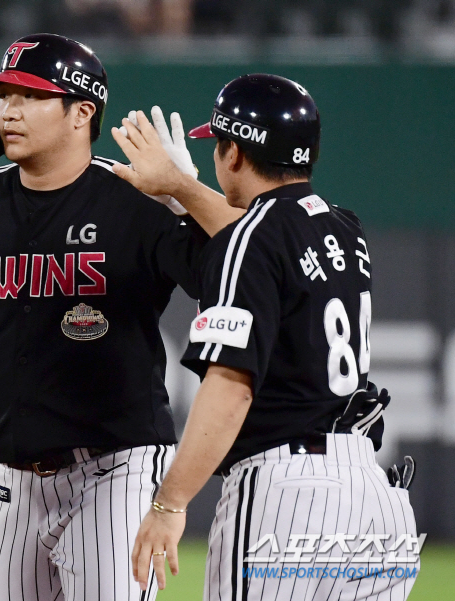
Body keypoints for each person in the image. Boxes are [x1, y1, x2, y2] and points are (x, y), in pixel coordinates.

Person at [0, 34, 241, 601]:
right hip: (13, 481)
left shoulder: (135, 199)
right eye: (4, 95)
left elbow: (232, 277)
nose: (9, 109)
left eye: (30, 96)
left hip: (117, 470)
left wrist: (185, 196)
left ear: (82, 113)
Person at [112, 74, 420, 600]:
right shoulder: (344, 227)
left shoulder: (252, 240)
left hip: (288, 496)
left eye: (218, 147)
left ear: (233, 154)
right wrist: (185, 190)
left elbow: (231, 386)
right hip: (375, 498)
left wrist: (169, 504)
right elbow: (261, 233)